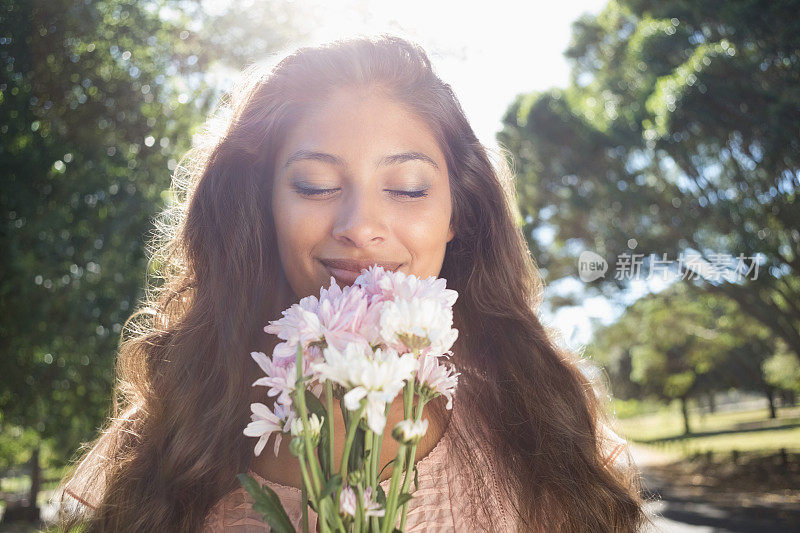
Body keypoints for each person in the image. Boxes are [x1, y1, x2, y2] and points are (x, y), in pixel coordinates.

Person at [59, 34, 652, 532]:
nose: (359, 228)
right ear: (260, 208)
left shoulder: (541, 418)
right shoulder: (172, 431)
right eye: (315, 186)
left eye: (408, 188)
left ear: (458, 214)